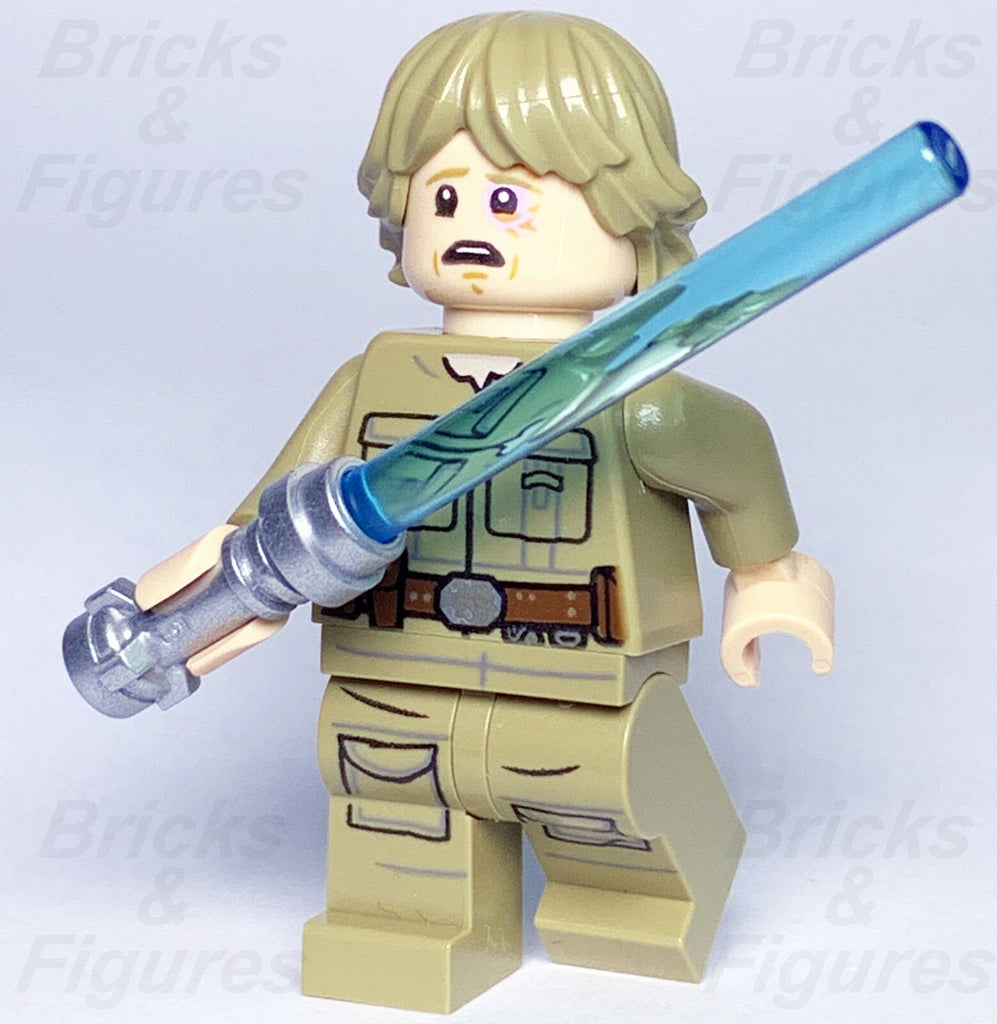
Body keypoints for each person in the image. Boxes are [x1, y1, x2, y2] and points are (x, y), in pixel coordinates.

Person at [160, 12, 835, 1012]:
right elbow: (270, 517)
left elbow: (736, 465)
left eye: (513, 197)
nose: (473, 221)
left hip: (574, 666)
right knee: (393, 789)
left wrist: (771, 577)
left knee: (602, 787)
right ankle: (409, 923)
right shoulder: (373, 382)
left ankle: (633, 906)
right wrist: (204, 593)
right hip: (397, 660)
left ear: (632, 220)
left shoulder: (634, 399)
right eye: (444, 195)